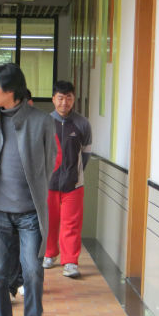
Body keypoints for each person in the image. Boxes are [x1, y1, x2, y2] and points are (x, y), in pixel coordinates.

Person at [0, 63, 57, 316]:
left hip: (30, 214)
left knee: (33, 271)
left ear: (10, 90)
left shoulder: (41, 121)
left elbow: (49, 163)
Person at [43, 80, 92, 278]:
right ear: (53, 99)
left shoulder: (82, 123)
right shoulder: (45, 122)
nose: (64, 102)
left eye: (69, 98)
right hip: (48, 183)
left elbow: (86, 153)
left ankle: (70, 261)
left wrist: (75, 172)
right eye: (60, 98)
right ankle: (49, 254)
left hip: (74, 184)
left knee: (71, 224)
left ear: (73, 99)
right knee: (49, 221)